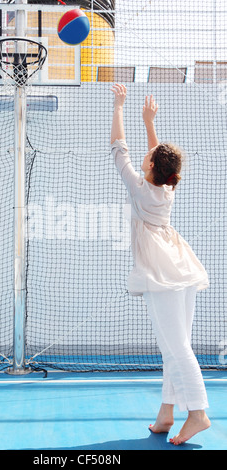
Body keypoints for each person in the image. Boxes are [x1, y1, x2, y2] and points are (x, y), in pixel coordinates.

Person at [110, 84, 211, 445]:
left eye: (150, 155)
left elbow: (118, 148)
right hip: (182, 268)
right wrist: (150, 122)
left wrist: (120, 107)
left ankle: (198, 413)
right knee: (174, 344)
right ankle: (166, 414)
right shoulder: (166, 188)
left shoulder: (141, 189)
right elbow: (157, 157)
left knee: (177, 347)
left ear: (151, 165)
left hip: (162, 274)